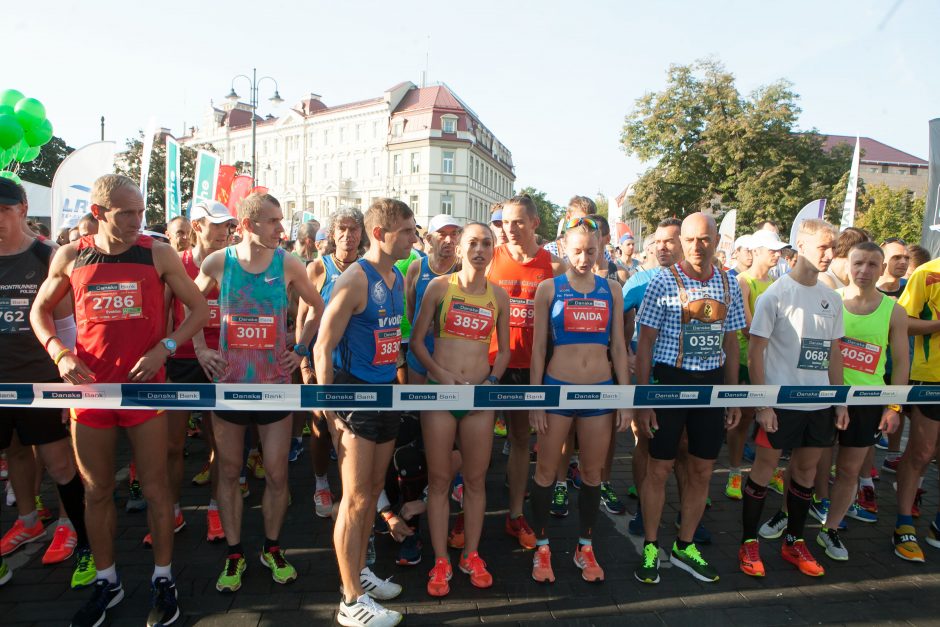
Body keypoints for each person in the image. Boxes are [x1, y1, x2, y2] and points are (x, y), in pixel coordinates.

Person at [31, 174, 209, 627]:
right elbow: (40, 311)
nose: (138, 222)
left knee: (156, 489)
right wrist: (59, 352)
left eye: (141, 212)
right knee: (96, 490)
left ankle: (164, 578)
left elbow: (200, 309)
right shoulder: (71, 255)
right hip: (91, 391)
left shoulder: (158, 252)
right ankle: (107, 581)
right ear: (98, 214)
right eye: (126, 213)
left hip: (144, 391)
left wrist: (163, 349)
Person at [192, 193, 323, 593]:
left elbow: (318, 307)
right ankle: (234, 554)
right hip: (230, 386)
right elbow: (190, 305)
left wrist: (298, 349)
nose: (281, 229)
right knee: (229, 473)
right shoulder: (219, 262)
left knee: (278, 474)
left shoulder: (289, 263)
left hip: (275, 389)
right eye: (272, 222)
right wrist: (201, 349)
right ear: (247, 225)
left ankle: (272, 547)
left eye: (281, 221)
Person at [313, 198, 417, 627]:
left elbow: (392, 338)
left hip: (386, 393)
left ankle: (358, 575)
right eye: (407, 230)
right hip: (354, 396)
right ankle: (350, 601)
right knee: (354, 501)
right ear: (380, 233)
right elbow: (321, 346)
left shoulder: (397, 275)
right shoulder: (355, 280)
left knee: (372, 494)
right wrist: (330, 409)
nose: (414, 237)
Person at [633, 212, 744, 585]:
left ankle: (684, 545)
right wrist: (643, 399)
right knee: (659, 468)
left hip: (710, 386)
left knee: (701, 469)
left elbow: (731, 342)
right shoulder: (663, 280)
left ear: (717, 241)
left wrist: (731, 396)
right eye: (691, 239)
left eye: (705, 239)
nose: (698, 246)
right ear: (682, 241)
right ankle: (651, 545)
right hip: (669, 382)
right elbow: (644, 343)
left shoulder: (729, 283)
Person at [738, 219, 847, 580]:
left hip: (818, 406)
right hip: (780, 405)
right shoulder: (775, 294)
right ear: (801, 245)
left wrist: (840, 400)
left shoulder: (832, 298)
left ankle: (794, 541)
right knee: (764, 471)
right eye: (823, 247)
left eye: (833, 248)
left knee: (805, 473)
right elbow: (756, 353)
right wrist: (764, 403)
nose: (830, 254)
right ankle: (749, 543)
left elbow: (834, 355)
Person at [527, 216, 630, 583]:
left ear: (601, 248)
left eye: (591, 250)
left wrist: (624, 397)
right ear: (564, 250)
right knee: (544, 472)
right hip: (556, 389)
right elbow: (539, 349)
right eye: (577, 251)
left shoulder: (611, 290)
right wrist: (537, 399)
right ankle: (542, 548)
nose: (584, 257)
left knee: (591, 474)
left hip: (599, 392)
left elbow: (618, 346)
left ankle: (585, 547)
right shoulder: (549, 289)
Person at [0, 179, 91, 590]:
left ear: (22, 209)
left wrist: (67, 383)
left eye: (4, 210)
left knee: (58, 463)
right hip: (2, 382)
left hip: (41, 378)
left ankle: (71, 526)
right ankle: (28, 520)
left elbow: (69, 324)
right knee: (15, 453)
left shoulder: (46, 254)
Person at [410, 221, 510, 596]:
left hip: (479, 399)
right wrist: (439, 373)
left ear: (493, 249)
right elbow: (417, 342)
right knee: (438, 481)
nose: (479, 250)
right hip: (440, 394)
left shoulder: (498, 296)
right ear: (461, 247)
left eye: (486, 243)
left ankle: (471, 553)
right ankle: (440, 559)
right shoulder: (439, 287)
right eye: (472, 243)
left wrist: (491, 382)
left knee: (475, 480)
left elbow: (507, 350)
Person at [814, 242, 908, 561]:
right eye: (858, 263)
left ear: (881, 269)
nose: (863, 271)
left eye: (871, 265)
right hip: (826, 396)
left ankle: (832, 529)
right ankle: (801, 519)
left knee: (850, 469)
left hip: (868, 400)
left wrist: (894, 407)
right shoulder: (831, 301)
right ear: (847, 266)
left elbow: (901, 362)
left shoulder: (893, 310)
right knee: (811, 463)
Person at [486, 194, 566, 550]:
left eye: (518, 221)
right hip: (489, 364)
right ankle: (466, 516)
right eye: (505, 222)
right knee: (472, 442)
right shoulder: (491, 257)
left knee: (520, 442)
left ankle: (515, 514)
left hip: (530, 368)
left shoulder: (555, 265)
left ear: (535, 223)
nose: (511, 229)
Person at [163, 200, 235, 545]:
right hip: (184, 359)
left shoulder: (232, 263)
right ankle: (172, 510)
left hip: (222, 362)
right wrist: (167, 355)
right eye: (216, 224)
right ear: (197, 227)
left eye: (227, 226)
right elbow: (168, 314)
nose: (224, 232)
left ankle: (214, 509)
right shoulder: (177, 263)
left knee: (220, 445)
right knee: (172, 445)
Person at [298, 207, 365, 519]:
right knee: (321, 425)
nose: (348, 236)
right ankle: (321, 482)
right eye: (342, 229)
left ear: (362, 234)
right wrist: (304, 365)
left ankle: (349, 487)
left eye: (354, 229)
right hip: (322, 360)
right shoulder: (318, 268)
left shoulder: (366, 269)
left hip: (354, 366)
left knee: (353, 430)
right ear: (333, 233)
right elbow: (302, 317)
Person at [621, 218, 683, 524]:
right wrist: (625, 353)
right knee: (644, 439)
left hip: (685, 375)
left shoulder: (706, 281)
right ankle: (643, 508)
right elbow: (612, 319)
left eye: (669, 241)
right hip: (648, 372)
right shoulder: (639, 281)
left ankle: (687, 515)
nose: (662, 247)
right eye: (657, 241)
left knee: (684, 446)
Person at [725, 230, 787, 500]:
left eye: (778, 250)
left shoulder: (777, 282)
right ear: (755, 251)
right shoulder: (743, 281)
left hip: (772, 360)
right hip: (744, 359)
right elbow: (749, 328)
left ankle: (769, 469)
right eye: (771, 250)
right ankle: (734, 471)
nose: (777, 254)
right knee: (744, 417)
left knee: (772, 417)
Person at [893, 246, 940, 562]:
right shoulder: (927, 273)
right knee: (922, 452)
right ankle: (903, 524)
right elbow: (904, 322)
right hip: (931, 378)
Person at [404, 214, 461, 384]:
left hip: (451, 355)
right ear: (429, 238)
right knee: (418, 406)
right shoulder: (417, 267)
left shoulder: (462, 268)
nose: (449, 239)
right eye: (442, 234)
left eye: (454, 233)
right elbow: (411, 310)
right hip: (419, 351)